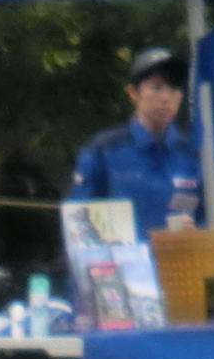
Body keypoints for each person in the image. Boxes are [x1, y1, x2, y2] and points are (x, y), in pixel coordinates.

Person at [66, 46, 205, 235]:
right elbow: (78, 221)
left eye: (174, 89)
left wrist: (195, 232)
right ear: (133, 93)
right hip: (121, 262)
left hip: (178, 261)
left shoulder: (191, 154)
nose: (165, 98)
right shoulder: (104, 149)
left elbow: (205, 220)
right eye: (156, 88)